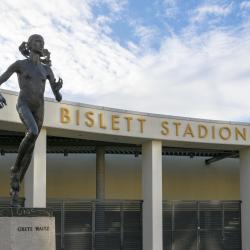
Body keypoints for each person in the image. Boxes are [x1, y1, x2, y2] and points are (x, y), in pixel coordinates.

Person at [0, 34, 63, 207]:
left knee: (31, 150)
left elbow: (57, 97)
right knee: (33, 131)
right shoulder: (20, 64)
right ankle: (14, 170)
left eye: (42, 41)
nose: (40, 43)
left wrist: (57, 89)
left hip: (39, 108)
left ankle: (15, 189)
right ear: (29, 45)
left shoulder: (46, 69)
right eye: (37, 41)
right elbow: (2, 78)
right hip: (24, 104)